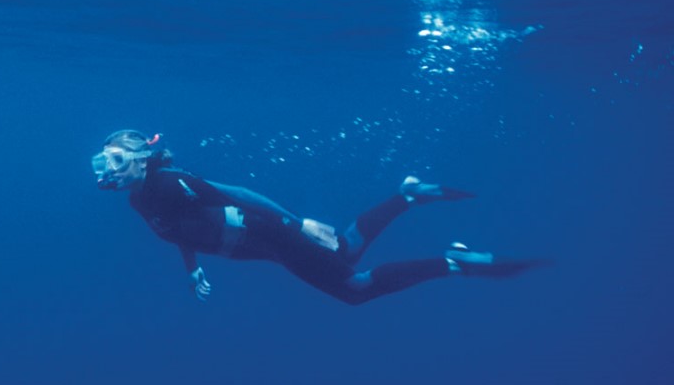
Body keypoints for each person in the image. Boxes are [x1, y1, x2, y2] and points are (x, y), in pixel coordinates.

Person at [92, 129, 546, 305]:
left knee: (355, 286)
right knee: (346, 252)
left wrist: (297, 223)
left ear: (141, 158)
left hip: (269, 233)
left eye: (115, 160)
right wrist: (193, 270)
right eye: (103, 161)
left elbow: (239, 195)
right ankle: (407, 195)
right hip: (262, 248)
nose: (107, 170)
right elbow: (176, 230)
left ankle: (453, 262)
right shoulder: (141, 201)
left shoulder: (170, 181)